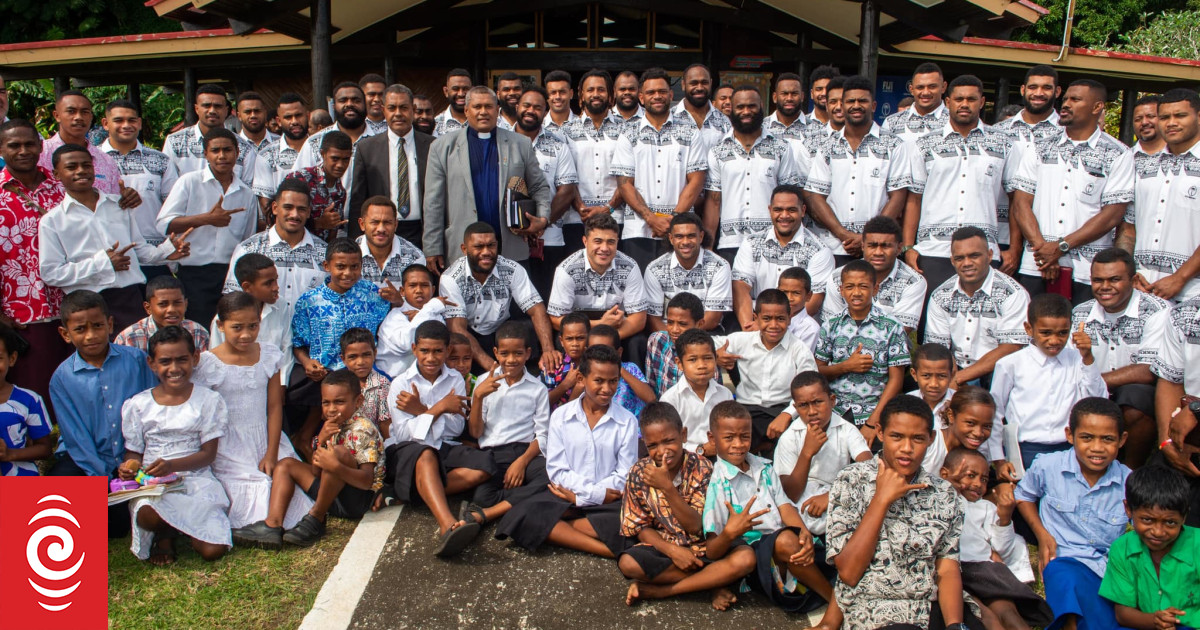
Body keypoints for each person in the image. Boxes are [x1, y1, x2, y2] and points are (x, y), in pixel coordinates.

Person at [827, 394, 980, 630]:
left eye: (918, 439)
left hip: (929, 606)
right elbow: (848, 572)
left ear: (931, 438)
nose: (906, 449)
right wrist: (881, 499)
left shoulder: (943, 493)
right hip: (876, 611)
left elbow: (947, 566)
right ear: (880, 433)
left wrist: (954, 626)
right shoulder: (851, 481)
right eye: (897, 437)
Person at [494, 344, 638, 558]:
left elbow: (624, 474)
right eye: (598, 381)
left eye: (613, 381)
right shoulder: (561, 416)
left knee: (630, 520)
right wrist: (587, 495)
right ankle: (606, 549)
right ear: (581, 378)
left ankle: (565, 524)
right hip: (569, 494)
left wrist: (584, 498)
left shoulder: (627, 421)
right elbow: (557, 470)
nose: (607, 389)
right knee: (522, 514)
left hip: (610, 499)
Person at [39, 144, 191, 331]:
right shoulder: (52, 221)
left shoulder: (119, 206)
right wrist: (103, 263)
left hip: (129, 297)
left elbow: (140, 251)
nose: (81, 171)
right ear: (56, 174)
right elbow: (51, 273)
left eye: (86, 165)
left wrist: (167, 251)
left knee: (137, 353)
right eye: (71, 167)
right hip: (86, 304)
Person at [620, 402, 756, 610]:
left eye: (669, 441)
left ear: (683, 435)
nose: (662, 451)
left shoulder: (703, 468)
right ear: (644, 444)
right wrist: (673, 550)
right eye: (653, 446)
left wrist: (667, 487)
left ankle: (663, 591)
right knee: (628, 564)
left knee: (745, 559)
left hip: (707, 547)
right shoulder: (639, 472)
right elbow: (639, 526)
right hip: (667, 547)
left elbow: (696, 526)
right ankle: (713, 581)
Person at [701, 400, 833, 614]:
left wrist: (803, 533)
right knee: (786, 541)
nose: (738, 444)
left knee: (800, 541)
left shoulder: (763, 467)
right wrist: (730, 533)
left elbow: (785, 507)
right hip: (756, 560)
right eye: (729, 438)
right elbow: (712, 550)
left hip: (783, 543)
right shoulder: (718, 483)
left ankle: (815, 580)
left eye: (745, 436)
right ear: (712, 439)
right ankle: (836, 601)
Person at [195, 291, 312, 530]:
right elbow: (205, 417)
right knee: (255, 482)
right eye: (237, 327)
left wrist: (271, 452)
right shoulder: (207, 363)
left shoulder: (268, 355)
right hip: (228, 442)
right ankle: (263, 523)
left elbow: (274, 406)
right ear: (220, 325)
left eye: (253, 326)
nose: (246, 334)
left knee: (278, 473)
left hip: (267, 435)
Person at [1010, 79, 1134, 304]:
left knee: (1080, 333)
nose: (1065, 104)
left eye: (1075, 99)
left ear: (1097, 107)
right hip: (1036, 264)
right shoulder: (1039, 146)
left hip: (1088, 270)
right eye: (1065, 98)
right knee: (1033, 331)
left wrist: (1061, 247)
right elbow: (1020, 203)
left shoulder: (1118, 154)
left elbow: (1113, 214)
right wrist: (1043, 251)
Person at [1015, 397, 1132, 630]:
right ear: (1070, 435)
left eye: (1108, 439)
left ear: (1122, 440)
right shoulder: (1048, 466)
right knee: (1064, 576)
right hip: (1063, 560)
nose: (1097, 448)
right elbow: (1024, 495)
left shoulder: (1129, 481)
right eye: (1087, 438)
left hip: (1106, 568)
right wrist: (1041, 534)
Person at [118, 325, 232, 565]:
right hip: (153, 482)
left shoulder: (208, 400)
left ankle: (184, 528)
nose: (174, 368)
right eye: (165, 361)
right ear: (152, 363)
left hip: (196, 478)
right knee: (147, 514)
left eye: (182, 360)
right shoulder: (138, 404)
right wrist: (130, 465)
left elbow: (208, 455)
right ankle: (165, 534)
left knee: (213, 551)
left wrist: (172, 465)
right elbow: (134, 452)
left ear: (195, 358)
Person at [379, 320, 493, 557]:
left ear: (447, 350)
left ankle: (420, 489)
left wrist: (421, 411)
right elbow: (403, 433)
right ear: (414, 350)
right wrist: (438, 408)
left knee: (486, 466)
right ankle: (447, 525)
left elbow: (456, 426)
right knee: (425, 454)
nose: (431, 358)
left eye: (438, 351)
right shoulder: (401, 383)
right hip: (407, 451)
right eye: (425, 351)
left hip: (443, 446)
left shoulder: (454, 379)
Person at [234, 368, 385, 548]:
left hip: (358, 501)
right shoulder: (331, 426)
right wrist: (320, 440)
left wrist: (336, 466)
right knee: (286, 465)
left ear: (358, 401)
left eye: (339, 402)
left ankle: (316, 518)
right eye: (326, 403)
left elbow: (366, 482)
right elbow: (316, 471)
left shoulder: (362, 429)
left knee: (338, 454)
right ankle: (272, 525)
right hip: (333, 494)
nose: (331, 409)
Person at [49, 291, 155, 538]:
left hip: (136, 456)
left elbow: (153, 410)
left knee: (118, 524)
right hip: (87, 461)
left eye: (97, 326)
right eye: (80, 329)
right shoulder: (62, 379)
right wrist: (103, 478)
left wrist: (137, 459)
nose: (91, 335)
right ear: (66, 334)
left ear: (109, 324)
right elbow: (76, 438)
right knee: (57, 489)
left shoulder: (138, 360)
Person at [905, 75, 1020, 292]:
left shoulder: (1003, 143)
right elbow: (914, 198)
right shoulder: (925, 144)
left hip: (984, 251)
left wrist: (1014, 249)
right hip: (933, 250)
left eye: (971, 99)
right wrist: (909, 247)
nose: (964, 105)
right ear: (948, 102)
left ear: (982, 102)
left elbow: (1016, 199)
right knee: (931, 321)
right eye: (959, 99)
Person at [422, 86, 551, 272]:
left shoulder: (520, 144)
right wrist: (432, 247)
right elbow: (433, 202)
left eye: (489, 107)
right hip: (462, 246)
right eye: (477, 107)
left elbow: (539, 186)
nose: (483, 112)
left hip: (510, 244)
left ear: (497, 110)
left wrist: (542, 218)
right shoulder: (442, 147)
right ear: (466, 110)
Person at [1072, 248, 1170, 468]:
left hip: (1132, 394)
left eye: (1114, 279)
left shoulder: (1156, 311)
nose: (1105, 287)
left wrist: (1094, 380)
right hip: (1090, 391)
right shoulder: (1080, 312)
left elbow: (1149, 370)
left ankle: (1130, 470)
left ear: (1133, 280)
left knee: (1135, 395)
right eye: (1098, 280)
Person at [290, 238, 390, 451]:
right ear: (327, 267)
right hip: (324, 376)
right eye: (341, 267)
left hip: (362, 375)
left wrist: (400, 301)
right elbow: (298, 343)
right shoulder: (309, 301)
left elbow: (390, 322)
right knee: (322, 429)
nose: (348, 273)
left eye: (354, 267)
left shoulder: (373, 295)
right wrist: (308, 363)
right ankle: (313, 460)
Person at [992, 293, 1108, 468]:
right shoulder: (1010, 364)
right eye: (1045, 333)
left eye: (1063, 333)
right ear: (1029, 329)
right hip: (1024, 451)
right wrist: (998, 459)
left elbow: (1098, 401)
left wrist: (1088, 358)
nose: (1054, 340)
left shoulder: (1078, 360)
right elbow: (995, 412)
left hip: (1068, 449)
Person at [804, 75, 910, 265]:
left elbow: (898, 196)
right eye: (850, 101)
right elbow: (816, 196)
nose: (856, 105)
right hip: (834, 246)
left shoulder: (894, 145)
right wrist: (843, 234)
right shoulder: (827, 146)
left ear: (874, 106)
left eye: (863, 101)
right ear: (842, 106)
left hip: (876, 249)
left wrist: (868, 236)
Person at [456, 321, 552, 531]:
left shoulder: (537, 388)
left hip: (526, 454)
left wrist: (521, 462)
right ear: (496, 353)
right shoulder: (482, 383)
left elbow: (543, 434)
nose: (511, 360)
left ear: (527, 353)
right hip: (492, 455)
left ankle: (486, 514)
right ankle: (520, 500)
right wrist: (479, 397)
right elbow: (476, 432)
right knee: (483, 496)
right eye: (505, 354)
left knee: (551, 478)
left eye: (517, 353)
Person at [157, 127, 258, 326]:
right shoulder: (189, 182)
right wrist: (206, 219)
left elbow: (247, 242)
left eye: (227, 150)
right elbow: (164, 224)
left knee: (228, 330)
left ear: (237, 153)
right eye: (215, 150)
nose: (222, 156)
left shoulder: (246, 194)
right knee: (199, 329)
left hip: (229, 276)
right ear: (206, 154)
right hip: (194, 273)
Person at [942, 448, 1051, 630]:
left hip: (983, 570)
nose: (977, 484)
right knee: (986, 616)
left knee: (1007, 612)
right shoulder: (937, 500)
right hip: (955, 570)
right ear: (945, 474)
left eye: (983, 479)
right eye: (970, 476)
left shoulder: (984, 507)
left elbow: (1002, 548)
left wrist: (1005, 517)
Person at [0, 119, 71, 400]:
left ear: (41, 146)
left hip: (71, 302)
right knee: (32, 392)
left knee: (72, 388)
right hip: (21, 312)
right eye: (13, 145)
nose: (23, 150)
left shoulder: (63, 189)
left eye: (29, 144)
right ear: (1, 149)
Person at [611, 67, 707, 268]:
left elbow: (696, 180)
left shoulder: (690, 132)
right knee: (639, 292)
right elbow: (625, 183)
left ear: (671, 95)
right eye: (651, 92)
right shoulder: (628, 133)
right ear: (641, 98)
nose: (657, 96)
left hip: (680, 232)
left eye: (662, 92)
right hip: (638, 229)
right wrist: (651, 219)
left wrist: (673, 221)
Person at [439, 222, 559, 374]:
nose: (486, 252)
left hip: (501, 333)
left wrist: (548, 350)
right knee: (457, 343)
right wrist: (494, 369)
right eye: (478, 247)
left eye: (491, 245)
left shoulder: (512, 269)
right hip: (470, 336)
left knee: (524, 329)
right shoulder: (451, 278)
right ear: (464, 249)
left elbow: (537, 309)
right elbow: (457, 328)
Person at [702, 85, 801, 262]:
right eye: (740, 107)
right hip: (730, 243)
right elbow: (714, 201)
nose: (746, 111)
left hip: (772, 240)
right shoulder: (717, 152)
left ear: (761, 106)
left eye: (752, 106)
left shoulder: (781, 148)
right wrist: (708, 247)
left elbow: (790, 197)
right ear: (731, 109)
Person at [1119, 88, 1200, 302]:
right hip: (1142, 286)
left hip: (1192, 290)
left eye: (1180, 115)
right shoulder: (1145, 167)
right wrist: (1126, 275)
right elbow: (1129, 227)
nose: (1171, 123)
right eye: (1164, 117)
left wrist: (1180, 278)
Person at [815, 260, 911, 437]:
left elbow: (896, 380)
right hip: (836, 412)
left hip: (874, 413)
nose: (856, 293)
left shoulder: (892, 327)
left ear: (875, 289)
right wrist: (846, 366)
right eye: (850, 287)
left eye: (863, 287)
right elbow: (817, 372)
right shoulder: (831, 325)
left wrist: (872, 423)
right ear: (841, 290)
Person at [714, 288, 818, 451]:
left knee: (801, 437)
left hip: (782, 409)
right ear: (756, 318)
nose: (774, 325)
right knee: (729, 437)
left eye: (780, 319)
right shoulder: (741, 340)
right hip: (746, 410)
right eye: (767, 318)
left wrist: (788, 414)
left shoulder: (799, 350)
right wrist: (715, 355)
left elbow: (810, 391)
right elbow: (704, 344)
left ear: (790, 319)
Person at [925, 226, 1031, 386]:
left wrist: (959, 379)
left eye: (974, 256)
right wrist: (952, 380)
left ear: (989, 255)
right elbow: (939, 348)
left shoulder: (1012, 294)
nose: (967, 263)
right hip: (956, 370)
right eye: (960, 258)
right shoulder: (941, 295)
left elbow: (1011, 347)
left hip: (1000, 372)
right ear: (952, 261)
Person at [1098, 464, 1199, 630]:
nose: (1158, 532)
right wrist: (1154, 620)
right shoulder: (1122, 548)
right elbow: (1123, 613)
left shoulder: (1197, 545)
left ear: (1185, 516)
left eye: (1170, 522)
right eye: (1147, 520)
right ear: (1128, 509)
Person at [773, 371, 872, 541]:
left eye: (818, 402)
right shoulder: (789, 437)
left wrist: (832, 495)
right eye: (804, 405)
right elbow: (790, 493)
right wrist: (807, 452)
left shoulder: (846, 430)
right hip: (801, 505)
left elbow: (870, 468)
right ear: (796, 408)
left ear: (832, 401)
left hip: (839, 495)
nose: (812, 411)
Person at [732, 184, 835, 327]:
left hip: (797, 332)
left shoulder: (819, 251)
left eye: (791, 210)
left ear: (803, 210)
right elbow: (740, 287)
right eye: (778, 210)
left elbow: (813, 301)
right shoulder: (751, 243)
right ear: (770, 210)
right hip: (754, 325)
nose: (784, 215)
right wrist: (749, 326)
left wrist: (773, 327)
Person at [223, 178, 327, 317]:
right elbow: (232, 302)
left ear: (308, 212)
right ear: (275, 208)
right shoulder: (249, 249)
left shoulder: (325, 253)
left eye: (301, 209)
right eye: (288, 207)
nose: (294, 215)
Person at [512, 86, 580, 295]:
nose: (531, 110)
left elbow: (567, 190)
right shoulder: (501, 141)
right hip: (509, 238)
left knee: (546, 294)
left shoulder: (558, 145)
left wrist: (541, 223)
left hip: (548, 238)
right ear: (517, 107)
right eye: (527, 105)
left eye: (538, 107)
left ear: (545, 111)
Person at [101, 98, 179, 278]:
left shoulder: (160, 160)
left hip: (155, 253)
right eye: (118, 120)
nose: (126, 125)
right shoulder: (93, 160)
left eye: (132, 120)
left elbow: (173, 207)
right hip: (112, 254)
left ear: (140, 123)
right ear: (105, 124)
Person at [348, 84, 432, 244]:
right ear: (383, 110)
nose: (398, 114)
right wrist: (354, 242)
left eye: (404, 108)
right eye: (392, 108)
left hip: (422, 232)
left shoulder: (432, 146)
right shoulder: (367, 149)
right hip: (381, 232)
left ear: (413, 109)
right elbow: (358, 200)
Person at [546, 213, 648, 345]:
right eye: (598, 241)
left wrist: (605, 340)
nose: (604, 248)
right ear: (585, 241)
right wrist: (600, 324)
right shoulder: (566, 270)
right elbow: (555, 319)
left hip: (616, 331)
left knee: (638, 342)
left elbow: (639, 319)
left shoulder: (630, 267)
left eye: (611, 242)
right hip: (579, 334)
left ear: (617, 241)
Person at [823, 216, 926, 332]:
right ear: (863, 246)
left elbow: (899, 331)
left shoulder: (913, 282)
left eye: (885, 246)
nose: (878, 252)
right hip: (842, 345)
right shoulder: (838, 277)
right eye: (872, 245)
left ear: (899, 248)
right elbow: (832, 325)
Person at [561, 69, 626, 251]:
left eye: (601, 89)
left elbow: (629, 176)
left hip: (617, 217)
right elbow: (565, 175)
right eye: (590, 90)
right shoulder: (566, 131)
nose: (595, 94)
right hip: (576, 219)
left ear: (611, 95)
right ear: (581, 95)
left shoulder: (627, 130)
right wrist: (581, 207)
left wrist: (608, 208)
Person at [212, 253, 294, 385]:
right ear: (247, 287)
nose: (276, 287)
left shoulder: (281, 305)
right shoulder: (226, 316)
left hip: (274, 383)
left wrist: (281, 385)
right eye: (268, 283)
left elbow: (286, 347)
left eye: (276, 280)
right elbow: (216, 359)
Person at [161, 84, 259, 188]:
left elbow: (246, 192)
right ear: (197, 108)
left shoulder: (244, 148)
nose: (212, 110)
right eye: (206, 105)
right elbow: (169, 189)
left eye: (218, 106)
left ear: (226, 110)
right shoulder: (175, 142)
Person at [660, 328, 732, 456]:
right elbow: (667, 442)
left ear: (715, 359)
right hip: (684, 461)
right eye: (693, 360)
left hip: (720, 457)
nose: (702, 365)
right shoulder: (670, 399)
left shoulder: (724, 394)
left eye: (707, 358)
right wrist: (701, 450)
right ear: (679, 363)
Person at [37, 90, 126, 195]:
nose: (78, 117)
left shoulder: (106, 161)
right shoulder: (39, 155)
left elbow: (114, 202)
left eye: (84, 112)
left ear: (91, 117)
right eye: (71, 111)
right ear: (57, 116)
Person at [293, 82, 370, 193]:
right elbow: (298, 185)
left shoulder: (380, 139)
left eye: (356, 100)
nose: (349, 104)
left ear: (365, 104)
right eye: (343, 100)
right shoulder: (315, 142)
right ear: (334, 107)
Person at [376, 263, 450, 377]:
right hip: (390, 380)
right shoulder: (395, 316)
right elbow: (406, 343)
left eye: (424, 285)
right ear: (402, 291)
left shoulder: (435, 316)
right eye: (413, 285)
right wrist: (429, 308)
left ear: (433, 289)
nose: (419, 290)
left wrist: (423, 314)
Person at [0, 324, 53, 476]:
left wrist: (9, 454)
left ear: (12, 358)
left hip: (21, 483)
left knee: (83, 497)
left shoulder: (29, 400)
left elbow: (45, 448)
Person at [921, 386, 1005, 477]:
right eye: (970, 423)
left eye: (987, 426)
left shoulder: (980, 456)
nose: (978, 433)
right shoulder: (929, 444)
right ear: (951, 415)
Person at [284, 130, 352, 242]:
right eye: (335, 159)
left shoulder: (340, 192)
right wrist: (318, 223)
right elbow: (282, 217)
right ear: (323, 154)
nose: (340, 165)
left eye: (345, 159)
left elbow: (332, 233)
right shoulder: (301, 178)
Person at [115, 275, 210, 353]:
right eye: (163, 304)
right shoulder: (129, 338)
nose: (171, 310)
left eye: (177, 303)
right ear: (148, 308)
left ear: (185, 304)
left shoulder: (198, 332)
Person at [355, 197, 425, 291]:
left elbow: (419, 302)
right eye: (375, 222)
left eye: (387, 222)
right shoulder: (348, 255)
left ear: (395, 225)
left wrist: (399, 302)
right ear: (362, 224)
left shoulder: (414, 257)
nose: (381, 229)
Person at [587, 323, 655, 418]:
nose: (600, 356)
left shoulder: (630, 368)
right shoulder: (586, 371)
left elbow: (651, 398)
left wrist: (618, 369)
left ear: (619, 353)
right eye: (594, 351)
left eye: (606, 351)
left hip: (632, 427)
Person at [253, 93, 309, 204]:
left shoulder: (321, 149)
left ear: (308, 116)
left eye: (298, 115)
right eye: (288, 117)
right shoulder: (267, 155)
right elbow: (266, 204)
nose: (294, 121)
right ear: (279, 121)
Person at [644, 292, 703, 397]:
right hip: (662, 410)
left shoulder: (706, 350)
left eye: (682, 324)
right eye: (670, 322)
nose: (675, 330)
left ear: (699, 324)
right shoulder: (657, 340)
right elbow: (651, 384)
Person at [764, 72, 815, 187]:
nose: (789, 98)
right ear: (775, 97)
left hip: (808, 199)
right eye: (784, 94)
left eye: (794, 94)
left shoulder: (818, 131)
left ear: (802, 96)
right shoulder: (762, 128)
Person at [881, 62, 949, 146]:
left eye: (932, 87)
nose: (925, 92)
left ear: (943, 87)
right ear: (911, 89)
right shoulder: (891, 123)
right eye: (920, 87)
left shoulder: (955, 122)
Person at [338, 327, 391, 432]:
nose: (360, 362)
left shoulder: (382, 384)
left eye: (366, 355)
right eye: (353, 357)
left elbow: (385, 423)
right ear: (343, 359)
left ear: (374, 354)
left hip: (371, 443)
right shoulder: (337, 384)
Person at [543, 312, 590, 408]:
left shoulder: (596, 364)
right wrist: (566, 384)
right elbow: (541, 404)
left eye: (580, 338)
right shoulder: (554, 365)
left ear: (589, 337)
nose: (575, 344)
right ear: (561, 341)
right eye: (569, 339)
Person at [909, 342, 956, 417]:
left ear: (952, 376)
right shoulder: (907, 403)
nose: (934, 384)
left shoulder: (960, 405)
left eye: (942, 376)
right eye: (926, 375)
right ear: (914, 374)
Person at [778, 267, 819, 351]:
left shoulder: (811, 329)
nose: (789, 298)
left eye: (796, 293)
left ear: (808, 296)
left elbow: (800, 361)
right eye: (784, 292)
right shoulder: (768, 319)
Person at [432, 69, 472, 137]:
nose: (461, 94)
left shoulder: (483, 121)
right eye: (456, 89)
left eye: (465, 89)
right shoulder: (436, 125)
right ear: (446, 91)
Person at [543, 69, 580, 135]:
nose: (558, 97)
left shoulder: (583, 125)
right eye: (553, 92)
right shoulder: (538, 127)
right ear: (546, 95)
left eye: (562, 92)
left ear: (571, 94)